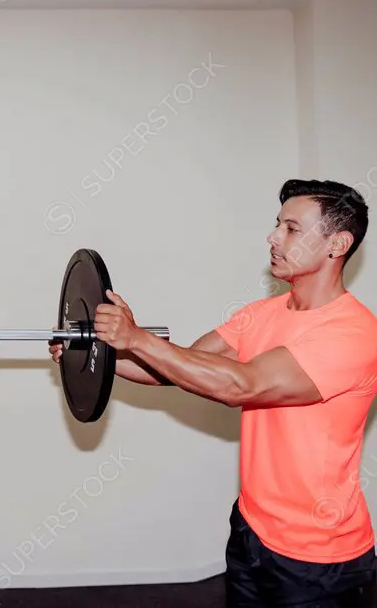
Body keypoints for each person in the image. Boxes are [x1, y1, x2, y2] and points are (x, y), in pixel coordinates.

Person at [51, 179, 377, 607]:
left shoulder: (354, 335)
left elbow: (242, 384)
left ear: (337, 243)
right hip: (251, 529)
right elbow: (180, 368)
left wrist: (136, 338)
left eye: (292, 229)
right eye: (277, 224)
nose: (273, 237)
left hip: (318, 558)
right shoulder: (262, 313)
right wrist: (95, 350)